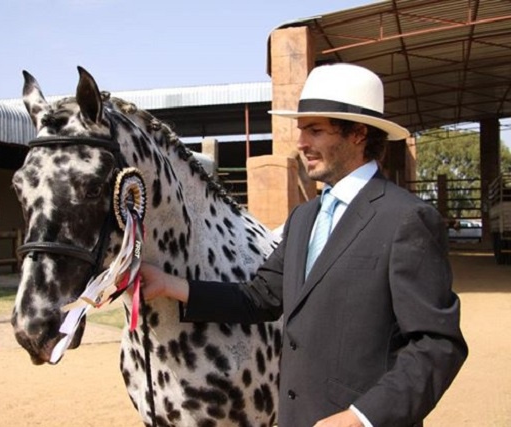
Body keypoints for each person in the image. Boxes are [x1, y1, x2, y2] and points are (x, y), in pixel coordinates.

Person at [138, 63, 468, 427]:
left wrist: (362, 418)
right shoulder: (304, 217)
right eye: (301, 129)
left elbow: (437, 344)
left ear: (357, 133)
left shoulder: (406, 219)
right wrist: (170, 285)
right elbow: (260, 297)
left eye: (314, 130)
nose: (300, 143)